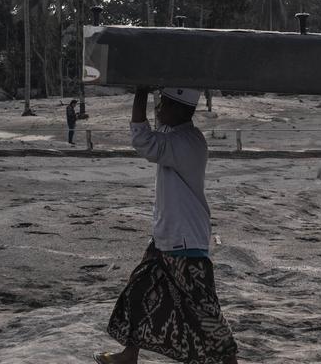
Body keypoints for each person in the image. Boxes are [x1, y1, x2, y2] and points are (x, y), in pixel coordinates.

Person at [95, 87, 238, 364]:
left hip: (185, 242)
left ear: (181, 110)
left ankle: (231, 361)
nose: (158, 109)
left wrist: (140, 91)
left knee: (205, 310)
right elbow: (156, 128)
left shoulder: (186, 143)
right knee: (137, 293)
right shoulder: (178, 134)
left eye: (163, 105)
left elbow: (143, 140)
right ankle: (130, 354)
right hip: (166, 238)